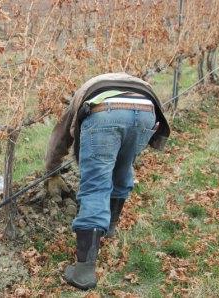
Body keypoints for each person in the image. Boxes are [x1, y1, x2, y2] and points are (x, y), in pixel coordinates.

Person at [45, 73, 170, 290]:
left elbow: (61, 138)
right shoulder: (135, 83)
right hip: (146, 112)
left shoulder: (84, 92)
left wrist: (51, 169)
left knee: (95, 186)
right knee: (122, 169)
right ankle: (110, 227)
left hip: (104, 113)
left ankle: (84, 272)